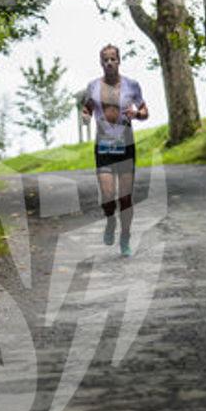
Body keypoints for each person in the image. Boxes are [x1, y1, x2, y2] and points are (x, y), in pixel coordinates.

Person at [81, 44, 149, 257]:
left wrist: (137, 114)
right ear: (101, 63)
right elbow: (87, 108)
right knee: (108, 196)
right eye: (106, 60)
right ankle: (110, 220)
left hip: (126, 144)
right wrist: (85, 116)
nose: (109, 63)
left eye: (113, 59)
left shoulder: (132, 85)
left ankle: (125, 236)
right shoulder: (93, 86)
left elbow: (145, 110)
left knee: (125, 198)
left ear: (119, 61)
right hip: (103, 146)